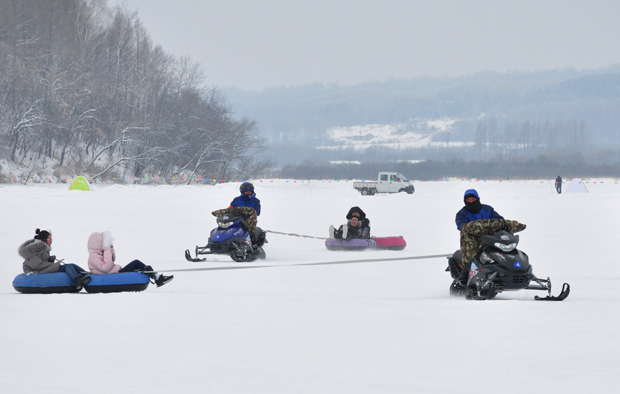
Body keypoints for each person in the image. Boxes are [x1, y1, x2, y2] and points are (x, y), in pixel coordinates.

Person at [87, 231, 173, 287]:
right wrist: (106, 249)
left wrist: (110, 248)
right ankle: (157, 278)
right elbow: (106, 268)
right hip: (113, 274)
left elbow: (112, 260)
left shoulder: (99, 253)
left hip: (114, 272)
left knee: (137, 266)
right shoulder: (94, 256)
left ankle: (156, 277)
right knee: (136, 263)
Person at [18, 229, 92, 290]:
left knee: (71, 265)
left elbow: (42, 262)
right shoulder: (33, 251)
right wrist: (53, 265)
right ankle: (78, 280)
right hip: (36, 271)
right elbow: (37, 265)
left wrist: (50, 260)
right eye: (49, 239)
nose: (51, 241)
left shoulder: (42, 249)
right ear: (43, 240)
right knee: (67, 267)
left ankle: (87, 274)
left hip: (42, 269)